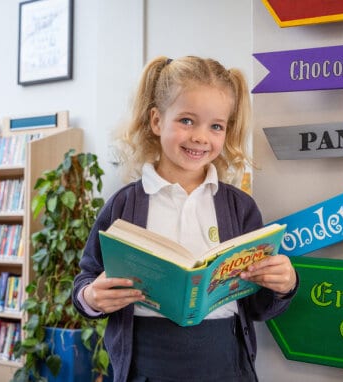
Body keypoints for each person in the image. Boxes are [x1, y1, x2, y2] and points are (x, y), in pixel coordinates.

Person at [73, 55, 299, 382]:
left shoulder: (240, 207)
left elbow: (258, 307)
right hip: (146, 364)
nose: (200, 137)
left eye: (216, 126)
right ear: (156, 121)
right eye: (187, 121)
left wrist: (283, 286)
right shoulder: (124, 204)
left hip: (224, 365)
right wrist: (91, 297)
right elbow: (86, 279)